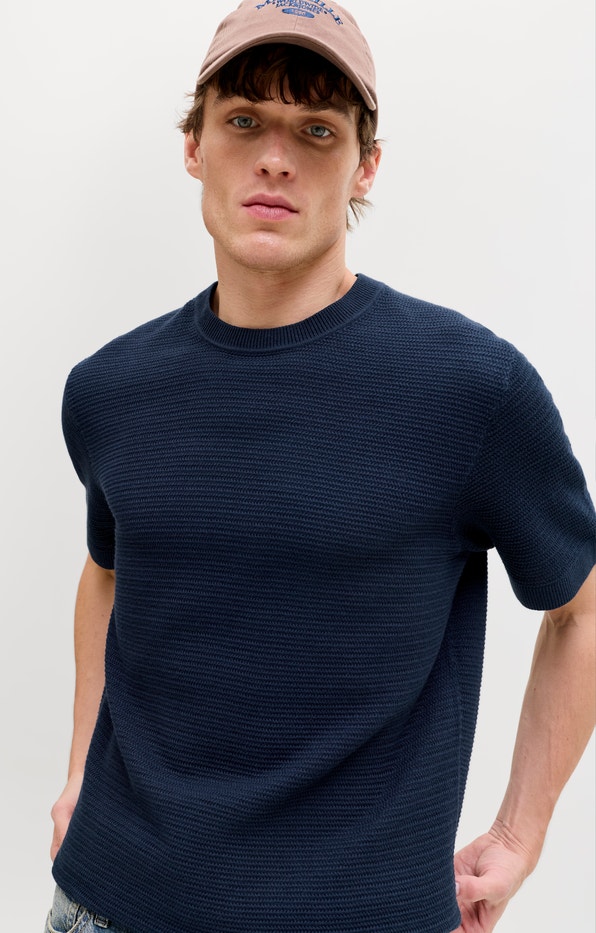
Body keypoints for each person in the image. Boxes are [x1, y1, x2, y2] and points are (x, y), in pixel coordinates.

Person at [46, 2, 596, 931]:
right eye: (244, 120)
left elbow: (581, 607)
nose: (275, 157)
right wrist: (76, 777)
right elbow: (109, 577)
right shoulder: (111, 388)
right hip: (106, 904)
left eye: (317, 130)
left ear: (364, 166)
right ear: (194, 145)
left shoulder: (470, 389)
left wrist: (518, 833)